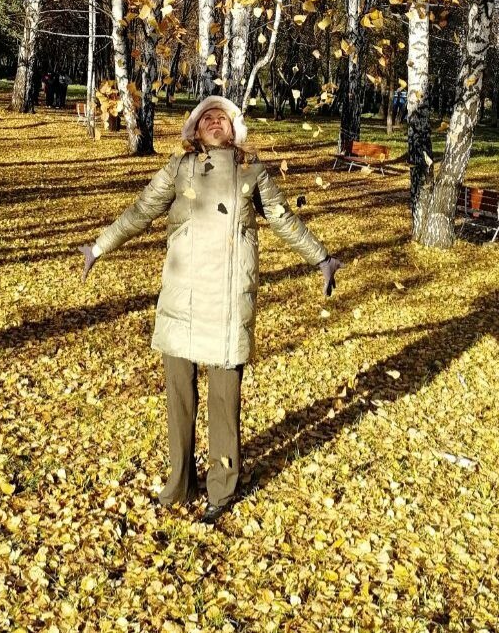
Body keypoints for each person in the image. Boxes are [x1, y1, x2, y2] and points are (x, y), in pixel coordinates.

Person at [79, 97, 342, 524]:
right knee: (179, 397)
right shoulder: (178, 169)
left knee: (224, 399)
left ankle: (222, 486)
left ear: (234, 129)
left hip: (228, 299)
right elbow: (141, 211)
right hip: (182, 297)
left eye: (222, 118)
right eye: (207, 118)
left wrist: (321, 258)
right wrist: (99, 246)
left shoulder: (253, 173)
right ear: (194, 130)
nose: (215, 122)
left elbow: (283, 219)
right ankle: (180, 482)